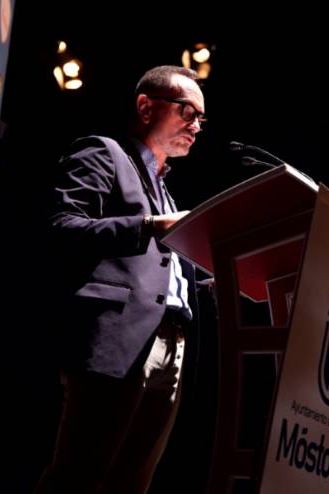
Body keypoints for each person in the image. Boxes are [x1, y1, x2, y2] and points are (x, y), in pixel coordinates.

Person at [34, 65, 206, 494]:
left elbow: (169, 268)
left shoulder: (166, 189)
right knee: (79, 477)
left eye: (201, 118)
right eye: (187, 111)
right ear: (146, 107)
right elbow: (62, 227)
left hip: (174, 344)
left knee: (131, 485)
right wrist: (148, 225)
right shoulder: (104, 153)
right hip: (118, 334)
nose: (196, 125)